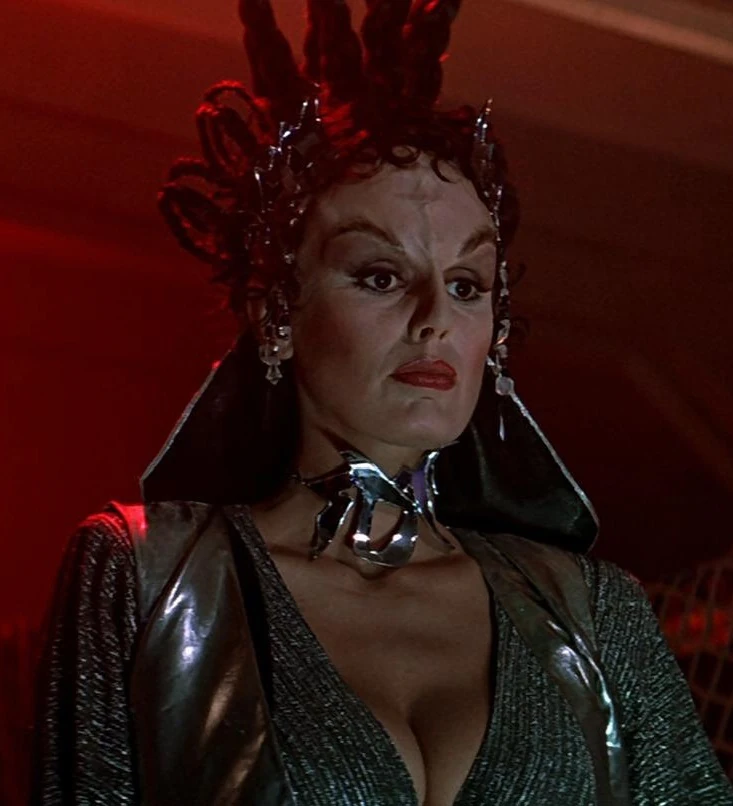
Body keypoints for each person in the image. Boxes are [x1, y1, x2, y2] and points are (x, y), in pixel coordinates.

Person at [32, 0, 732, 803]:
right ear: (276, 317)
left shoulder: (595, 612)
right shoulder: (148, 577)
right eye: (380, 275)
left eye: (466, 285)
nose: (436, 319)